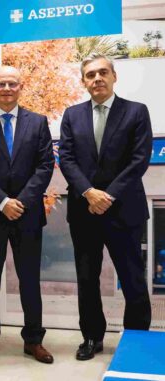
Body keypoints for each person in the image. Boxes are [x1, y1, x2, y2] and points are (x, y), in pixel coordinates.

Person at [59, 53, 153, 361]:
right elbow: (67, 159)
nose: (97, 79)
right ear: (83, 81)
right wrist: (88, 192)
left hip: (124, 210)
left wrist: (107, 195)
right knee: (87, 279)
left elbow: (139, 160)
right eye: (90, 75)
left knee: (133, 279)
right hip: (84, 210)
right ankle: (91, 337)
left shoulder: (136, 112)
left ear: (113, 77)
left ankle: (136, 341)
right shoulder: (73, 115)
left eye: (102, 73)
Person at [0, 66, 55, 364]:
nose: (6, 88)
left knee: (30, 279)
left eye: (12, 83)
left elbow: (44, 166)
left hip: (27, 215)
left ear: (21, 87)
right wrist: (3, 201)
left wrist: (22, 201)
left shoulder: (38, 123)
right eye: (0, 83)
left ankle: (33, 340)